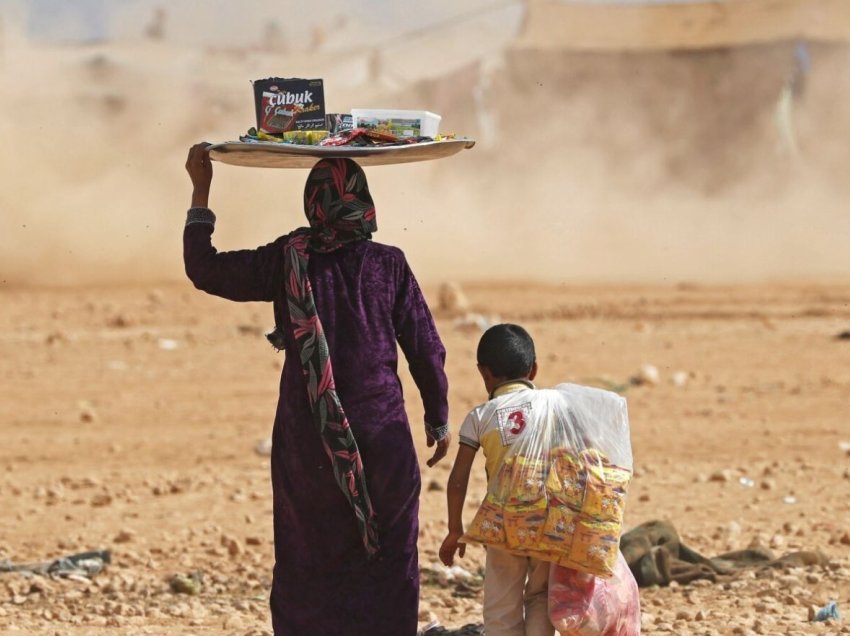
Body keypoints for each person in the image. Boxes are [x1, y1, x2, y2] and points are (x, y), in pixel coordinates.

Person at [183, 143, 451, 636]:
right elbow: (425, 347)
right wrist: (438, 418)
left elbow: (206, 269)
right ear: (365, 204)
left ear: (313, 203)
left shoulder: (289, 259)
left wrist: (201, 190)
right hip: (383, 438)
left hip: (308, 443)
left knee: (309, 557)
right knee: (390, 559)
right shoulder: (388, 265)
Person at [439, 324, 554, 636]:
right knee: (542, 596)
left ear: (483, 373)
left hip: (504, 524)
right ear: (533, 369)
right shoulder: (554, 407)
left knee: (501, 604)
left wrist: (454, 529)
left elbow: (458, 478)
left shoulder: (481, 416)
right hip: (549, 521)